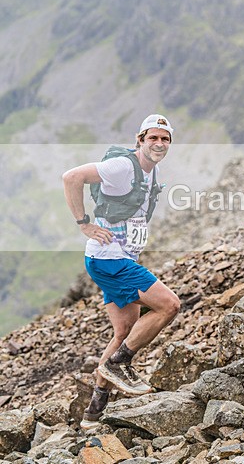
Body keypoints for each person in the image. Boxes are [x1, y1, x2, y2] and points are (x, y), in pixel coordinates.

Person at [62, 114, 180, 429]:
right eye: (152, 137)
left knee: (124, 331)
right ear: (139, 140)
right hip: (109, 259)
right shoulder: (123, 166)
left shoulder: (151, 174)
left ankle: (93, 413)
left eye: (164, 138)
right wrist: (83, 223)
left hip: (115, 259)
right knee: (169, 305)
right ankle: (119, 363)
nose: (158, 143)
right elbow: (71, 177)